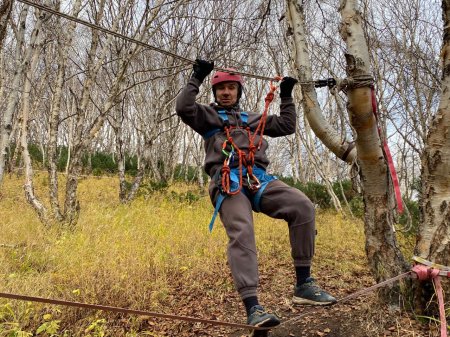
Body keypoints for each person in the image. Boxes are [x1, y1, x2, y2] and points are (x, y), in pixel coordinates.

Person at [175, 59, 336, 328]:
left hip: (258, 180)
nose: (226, 92)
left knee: (302, 206)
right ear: (215, 94)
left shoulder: (252, 119)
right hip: (228, 180)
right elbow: (183, 107)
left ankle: (304, 285)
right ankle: (253, 307)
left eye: (231, 88)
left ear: (238, 91)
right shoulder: (207, 116)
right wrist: (197, 76)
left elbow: (286, 125)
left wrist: (286, 95)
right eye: (221, 89)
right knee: (242, 230)